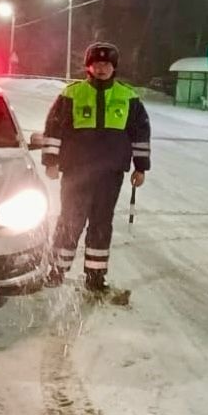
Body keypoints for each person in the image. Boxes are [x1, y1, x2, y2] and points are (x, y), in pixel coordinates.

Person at [40, 42, 150, 292]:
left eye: (106, 65)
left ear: (114, 68)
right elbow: (54, 128)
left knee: (102, 223)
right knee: (70, 220)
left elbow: (140, 134)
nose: (101, 69)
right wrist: (51, 161)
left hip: (110, 174)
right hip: (76, 171)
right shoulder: (71, 94)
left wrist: (140, 167)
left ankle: (95, 276)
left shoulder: (129, 97)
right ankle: (56, 270)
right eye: (97, 64)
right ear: (88, 67)